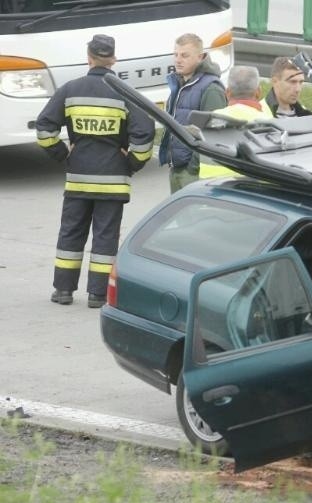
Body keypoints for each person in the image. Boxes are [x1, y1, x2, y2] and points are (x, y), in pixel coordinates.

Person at [35, 34, 155, 308]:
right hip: (113, 182)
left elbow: (44, 129)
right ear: (113, 59)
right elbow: (145, 133)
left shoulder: (70, 90)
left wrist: (63, 154)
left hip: (78, 179)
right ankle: (97, 295)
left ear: (88, 57)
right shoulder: (125, 93)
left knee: (70, 234)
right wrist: (132, 163)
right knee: (105, 236)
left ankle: (63, 291)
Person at [158, 33, 227, 193]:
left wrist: (192, 167)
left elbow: (214, 134)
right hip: (177, 167)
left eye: (184, 55)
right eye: (175, 55)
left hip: (193, 173)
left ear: (200, 57)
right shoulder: (180, 83)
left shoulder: (211, 88)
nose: (178, 60)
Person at [198, 65, 273, 179]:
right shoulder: (268, 123)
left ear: (227, 92)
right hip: (246, 191)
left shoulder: (211, 119)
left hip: (209, 190)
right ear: (258, 92)